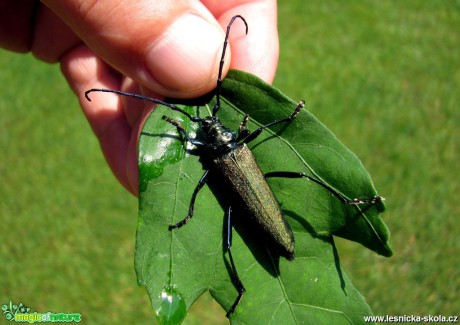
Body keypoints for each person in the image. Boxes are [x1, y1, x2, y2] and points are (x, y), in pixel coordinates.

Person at [0, 0, 279, 195]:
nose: (209, 125)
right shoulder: (236, 147)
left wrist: (183, 127)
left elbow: (193, 145)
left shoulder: (218, 157)